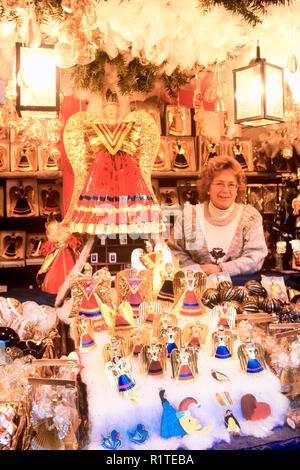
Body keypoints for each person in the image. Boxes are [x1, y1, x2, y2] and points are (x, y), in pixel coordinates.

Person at [168, 156, 268, 276]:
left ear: (237, 189)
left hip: (239, 289)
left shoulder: (250, 217)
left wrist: (221, 269)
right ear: (208, 187)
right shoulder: (188, 216)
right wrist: (197, 270)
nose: (225, 190)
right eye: (220, 183)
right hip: (196, 288)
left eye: (231, 185)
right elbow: (174, 252)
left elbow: (256, 258)